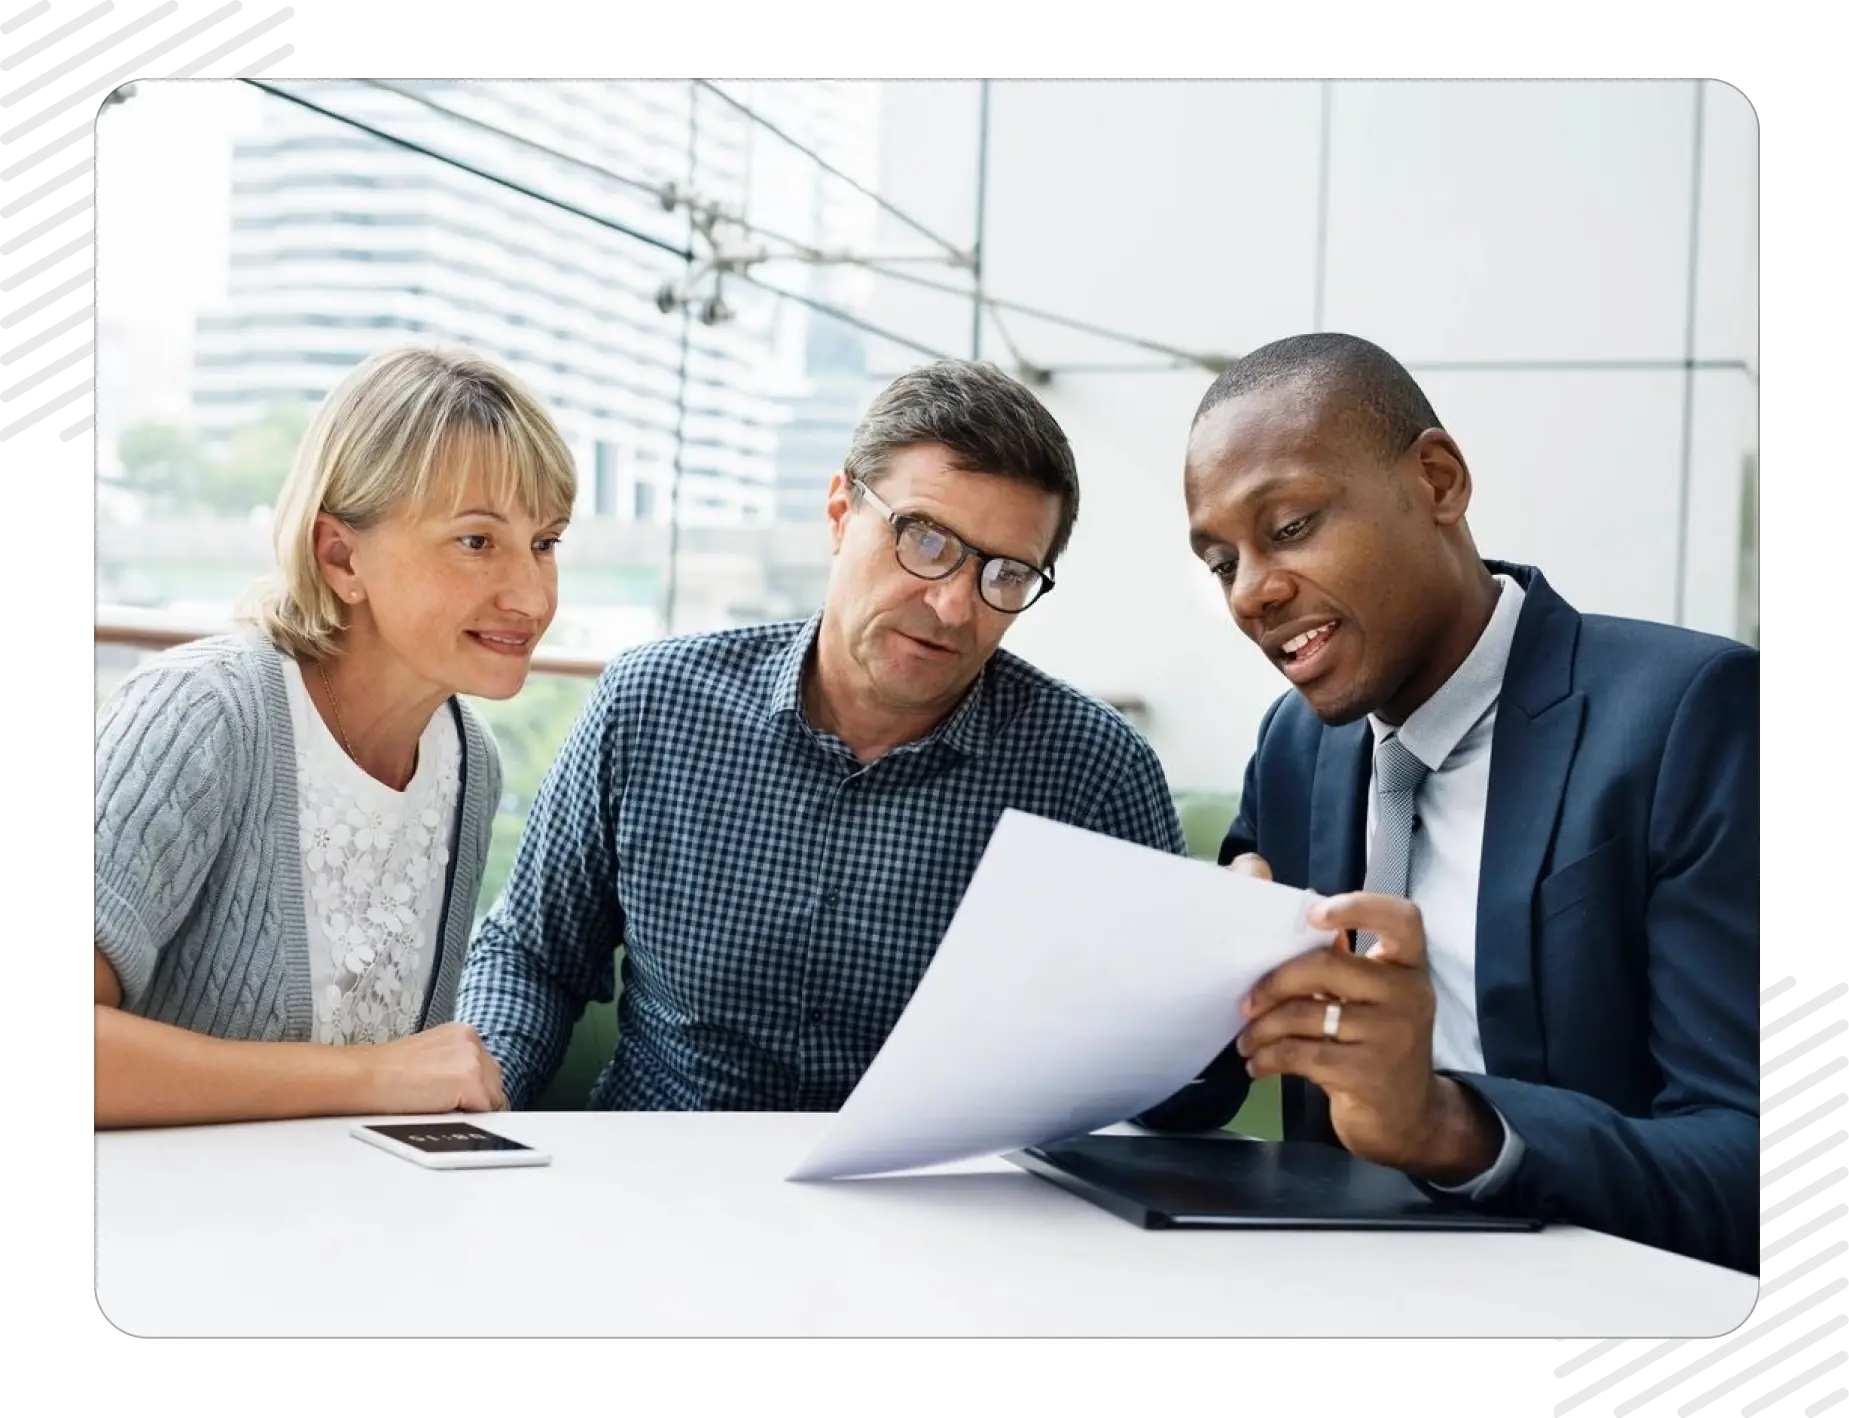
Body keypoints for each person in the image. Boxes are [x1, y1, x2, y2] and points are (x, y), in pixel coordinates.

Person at [1139, 332, 1758, 1275]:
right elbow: (1196, 1097)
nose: (1252, 593)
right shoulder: (1296, 746)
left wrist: (1449, 1126)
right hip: (1323, 1291)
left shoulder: (1701, 714)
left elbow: (1778, 1173)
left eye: (1292, 525)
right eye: (1221, 562)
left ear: (1436, 481)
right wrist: (1176, 998)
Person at [458, 358, 1186, 1111]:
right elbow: (531, 957)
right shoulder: (651, 704)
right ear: (841, 513)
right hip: (657, 1187)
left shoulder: (1094, 772)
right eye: (926, 540)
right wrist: (477, 1100)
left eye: (1004, 576)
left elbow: (1169, 1077)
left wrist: (1215, 995)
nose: (952, 606)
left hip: (938, 1210)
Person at [92, 344, 580, 1129]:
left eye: (546, 543)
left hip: (345, 1225)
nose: (529, 593)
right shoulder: (204, 716)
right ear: (340, 555)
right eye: (476, 541)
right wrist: (364, 1078)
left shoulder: (467, 761)